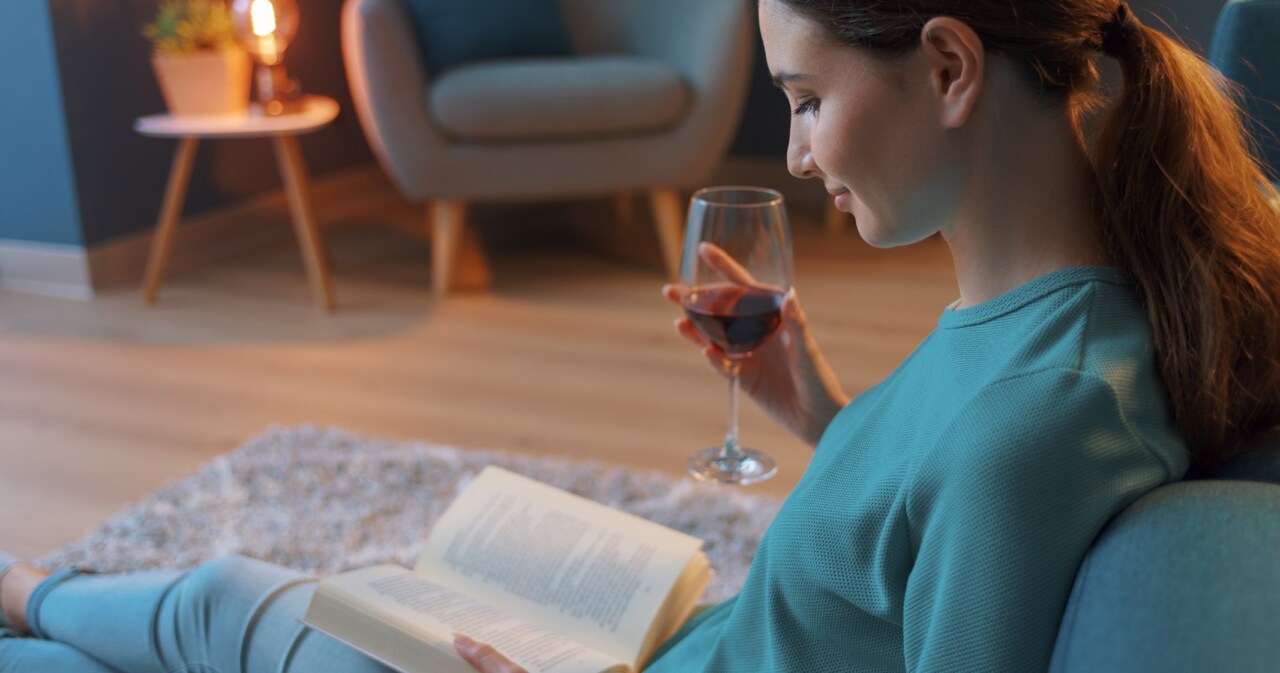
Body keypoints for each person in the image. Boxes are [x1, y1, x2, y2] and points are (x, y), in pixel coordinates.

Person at [4, 0, 1279, 670]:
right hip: (683, 644)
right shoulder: (1056, 316)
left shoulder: (1038, 414)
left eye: (806, 99)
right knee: (367, 589)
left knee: (242, 595)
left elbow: (983, 493)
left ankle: (29, 596)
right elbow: (918, 534)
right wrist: (815, 407)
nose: (791, 152)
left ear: (947, 69)